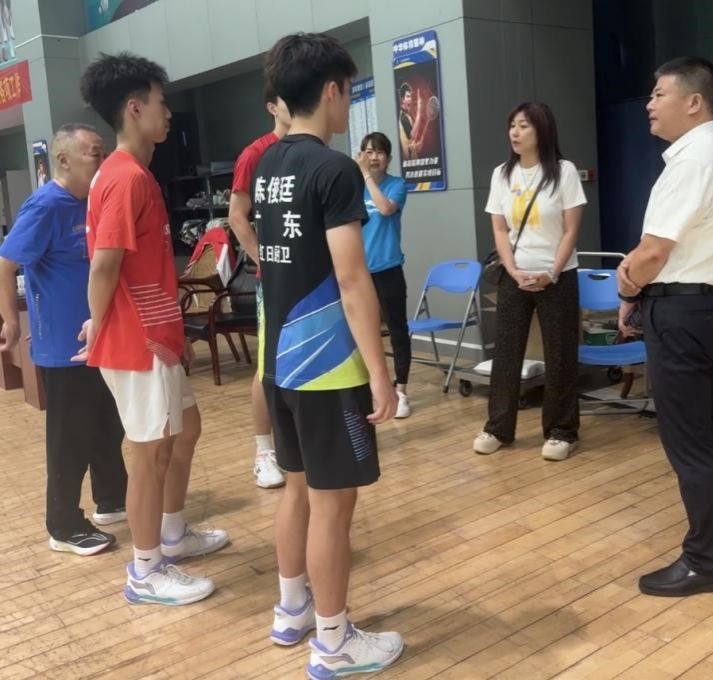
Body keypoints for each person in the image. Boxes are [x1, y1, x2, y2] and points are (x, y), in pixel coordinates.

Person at [254, 33, 403, 675]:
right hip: (326, 367)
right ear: (333, 90)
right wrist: (382, 374)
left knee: (297, 489)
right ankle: (334, 642)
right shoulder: (334, 169)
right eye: (350, 89)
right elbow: (351, 278)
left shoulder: (266, 163)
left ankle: (293, 611)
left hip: (278, 363)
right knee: (333, 504)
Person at [79, 52, 228, 605]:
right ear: (135, 108)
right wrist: (99, 325)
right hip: (136, 341)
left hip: (157, 335)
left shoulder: (133, 175)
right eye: (162, 103)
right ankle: (145, 572)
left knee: (185, 430)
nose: (169, 113)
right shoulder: (124, 178)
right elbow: (104, 265)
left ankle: (172, 533)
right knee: (148, 454)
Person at [617, 57, 713, 596]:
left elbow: (653, 252)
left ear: (694, 102)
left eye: (658, 94)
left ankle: (704, 562)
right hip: (712, 305)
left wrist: (627, 287)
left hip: (682, 310)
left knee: (691, 442)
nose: (649, 104)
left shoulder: (693, 160)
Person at [0, 123, 127, 556]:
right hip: (61, 348)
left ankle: (112, 498)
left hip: (100, 339)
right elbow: (5, 265)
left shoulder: (92, 201)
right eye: (94, 152)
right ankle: (64, 526)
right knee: (69, 439)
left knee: (107, 425)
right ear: (64, 160)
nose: (102, 160)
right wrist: (10, 322)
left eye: (104, 151)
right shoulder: (45, 206)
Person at [473, 102, 586, 462]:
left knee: (560, 355)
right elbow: (499, 228)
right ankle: (498, 428)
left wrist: (552, 272)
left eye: (523, 125)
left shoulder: (564, 171)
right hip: (515, 277)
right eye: (512, 125)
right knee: (506, 353)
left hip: (558, 277)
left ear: (542, 130)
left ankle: (561, 432)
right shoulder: (501, 174)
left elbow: (570, 230)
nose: (515, 132)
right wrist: (511, 269)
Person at [229, 83, 292, 489]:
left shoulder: (312, 150)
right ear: (272, 107)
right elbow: (237, 216)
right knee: (268, 366)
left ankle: (296, 441)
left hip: (310, 281)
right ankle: (263, 451)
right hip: (274, 280)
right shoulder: (256, 154)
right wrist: (264, 259)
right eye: (288, 99)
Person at [356, 131, 412, 419]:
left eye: (378, 152)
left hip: (388, 269)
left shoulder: (397, 185)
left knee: (397, 330)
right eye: (368, 151)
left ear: (388, 158)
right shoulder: (353, 188)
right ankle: (369, 389)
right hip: (359, 273)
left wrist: (366, 176)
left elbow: (386, 208)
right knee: (361, 332)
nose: (373, 157)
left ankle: (401, 391)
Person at [398, 82, 427, 160]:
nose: (410, 99)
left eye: (410, 96)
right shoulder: (403, 117)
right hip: (409, 163)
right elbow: (412, 135)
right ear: (402, 99)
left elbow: (411, 141)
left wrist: (416, 147)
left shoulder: (407, 116)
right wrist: (419, 112)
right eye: (407, 96)